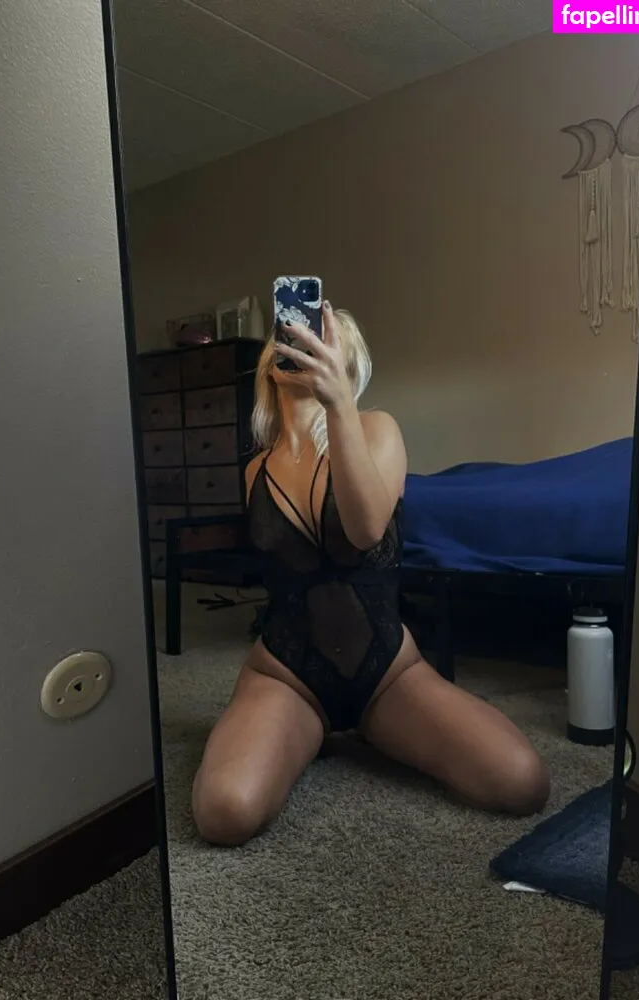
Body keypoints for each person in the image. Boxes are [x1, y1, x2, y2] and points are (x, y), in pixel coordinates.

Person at [192, 302, 550, 846]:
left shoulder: (377, 429)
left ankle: (365, 729)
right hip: (285, 673)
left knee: (522, 782)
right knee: (225, 814)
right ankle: (296, 730)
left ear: (347, 365)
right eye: (295, 338)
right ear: (271, 360)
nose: (307, 347)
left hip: (388, 671)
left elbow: (363, 532)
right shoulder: (255, 470)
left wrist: (337, 406)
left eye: (323, 340)